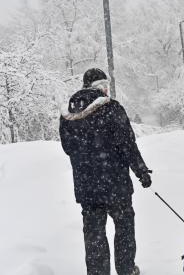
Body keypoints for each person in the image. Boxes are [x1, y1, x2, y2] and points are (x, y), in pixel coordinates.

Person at [59, 68, 152, 275]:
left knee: (94, 234)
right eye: (105, 85)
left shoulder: (68, 113)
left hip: (87, 187)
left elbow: (67, 148)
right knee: (124, 227)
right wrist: (141, 171)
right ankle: (126, 269)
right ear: (100, 86)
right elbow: (128, 144)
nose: (107, 89)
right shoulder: (111, 108)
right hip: (115, 184)